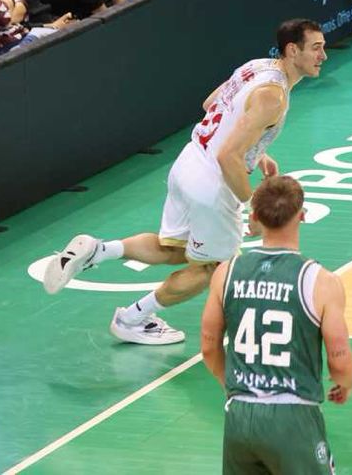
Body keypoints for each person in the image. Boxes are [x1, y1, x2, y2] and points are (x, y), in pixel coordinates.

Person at [42, 21, 328, 345]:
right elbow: (228, 157)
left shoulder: (257, 66)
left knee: (174, 249)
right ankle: (132, 318)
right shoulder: (272, 97)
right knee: (209, 268)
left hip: (189, 161)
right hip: (213, 183)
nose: (324, 55)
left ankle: (98, 250)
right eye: (316, 47)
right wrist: (256, 207)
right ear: (293, 50)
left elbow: (212, 106)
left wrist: (256, 150)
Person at [199, 175, 352, 474]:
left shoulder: (227, 272)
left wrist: (235, 389)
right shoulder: (321, 281)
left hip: (240, 416)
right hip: (293, 415)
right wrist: (344, 384)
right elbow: (340, 358)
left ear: (254, 218)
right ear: (303, 215)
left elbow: (209, 345)